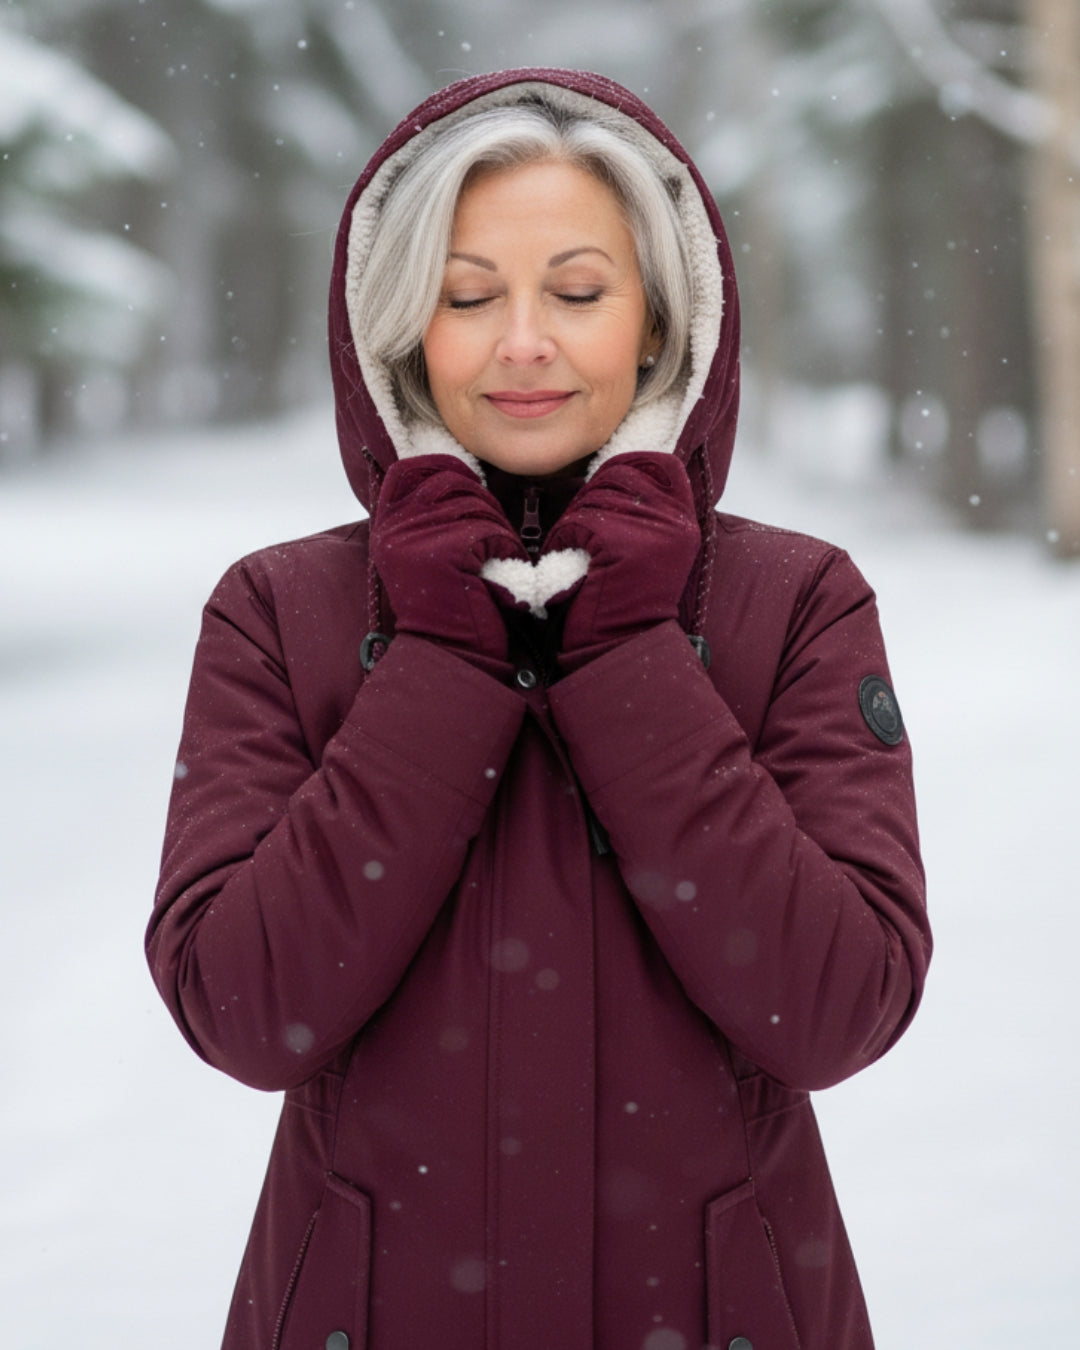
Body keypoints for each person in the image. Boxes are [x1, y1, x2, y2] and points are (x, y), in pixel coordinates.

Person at [147, 68, 931, 1350]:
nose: (524, 340)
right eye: (467, 296)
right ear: (397, 327)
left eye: (577, 291)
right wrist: (445, 660)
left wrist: (627, 650)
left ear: (662, 326)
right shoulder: (276, 612)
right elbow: (243, 1009)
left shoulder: (796, 603)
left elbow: (838, 1005)